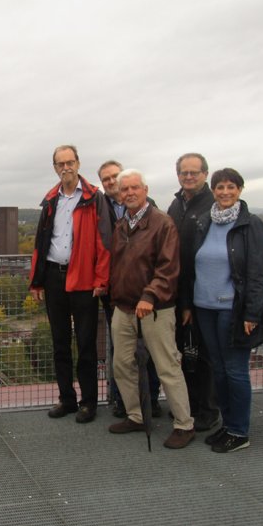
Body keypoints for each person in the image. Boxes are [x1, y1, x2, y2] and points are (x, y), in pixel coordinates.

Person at [181, 168, 263, 453]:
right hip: (204, 307)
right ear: (213, 190)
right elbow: (193, 265)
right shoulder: (205, 222)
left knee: (235, 370)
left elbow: (259, 273)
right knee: (218, 370)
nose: (225, 192)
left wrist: (252, 313)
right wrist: (189, 303)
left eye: (231, 187)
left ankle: (239, 431)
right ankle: (228, 424)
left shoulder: (250, 225)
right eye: (220, 187)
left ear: (240, 190)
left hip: (233, 309)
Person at [107, 169, 195, 449]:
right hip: (124, 307)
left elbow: (168, 267)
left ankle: (184, 424)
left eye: (135, 187)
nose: (130, 193)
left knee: (167, 366)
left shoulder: (162, 223)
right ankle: (137, 415)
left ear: (145, 190)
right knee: (121, 364)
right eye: (124, 189)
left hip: (155, 308)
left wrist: (150, 295)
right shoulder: (121, 225)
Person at [29, 145, 111, 423]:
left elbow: (104, 242)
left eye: (69, 162)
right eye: (60, 164)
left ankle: (89, 402)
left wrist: (101, 279)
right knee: (60, 342)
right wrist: (37, 281)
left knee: (86, 343)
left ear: (78, 163)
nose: (66, 168)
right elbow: (41, 243)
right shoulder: (51, 199)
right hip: (54, 277)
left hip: (84, 279)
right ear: (55, 168)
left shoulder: (93, 198)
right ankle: (67, 399)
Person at [98, 160, 162, 419]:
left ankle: (151, 400)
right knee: (120, 351)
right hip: (116, 292)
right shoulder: (100, 206)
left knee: (148, 351)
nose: (111, 182)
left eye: (115, 177)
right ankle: (124, 401)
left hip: (145, 293)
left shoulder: (148, 208)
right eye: (106, 179)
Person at [167, 153, 221, 431]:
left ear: (205, 174)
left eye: (194, 172)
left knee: (204, 354)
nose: (188, 177)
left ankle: (208, 410)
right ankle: (188, 405)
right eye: (184, 172)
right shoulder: (176, 204)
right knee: (183, 351)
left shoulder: (213, 205)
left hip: (204, 292)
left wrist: (188, 301)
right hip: (178, 291)